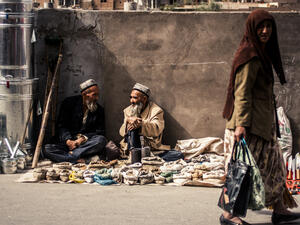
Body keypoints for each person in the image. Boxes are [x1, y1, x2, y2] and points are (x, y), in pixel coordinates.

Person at [220, 10, 299, 225]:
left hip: (263, 125)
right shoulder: (250, 56)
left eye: (269, 27)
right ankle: (228, 215)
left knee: (275, 167)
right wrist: (242, 125)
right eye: (260, 27)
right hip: (249, 127)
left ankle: (280, 209)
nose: (265, 31)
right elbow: (242, 93)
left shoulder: (260, 52)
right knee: (242, 171)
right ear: (252, 30)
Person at [43, 79, 107, 163]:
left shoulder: (99, 110)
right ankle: (79, 159)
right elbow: (61, 126)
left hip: (85, 145)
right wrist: (68, 141)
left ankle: (71, 157)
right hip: (68, 143)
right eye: (94, 95)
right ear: (84, 94)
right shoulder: (69, 103)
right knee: (46, 149)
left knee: (101, 140)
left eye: (97, 95)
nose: (97, 98)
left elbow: (100, 132)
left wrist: (82, 139)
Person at [119, 83, 170, 156]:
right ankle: (133, 155)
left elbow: (157, 129)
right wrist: (127, 121)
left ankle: (135, 156)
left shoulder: (156, 110)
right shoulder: (128, 110)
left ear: (144, 99)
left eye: (135, 97)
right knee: (132, 126)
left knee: (135, 126)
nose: (131, 101)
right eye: (131, 97)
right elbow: (121, 132)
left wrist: (141, 124)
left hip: (148, 144)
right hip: (130, 143)